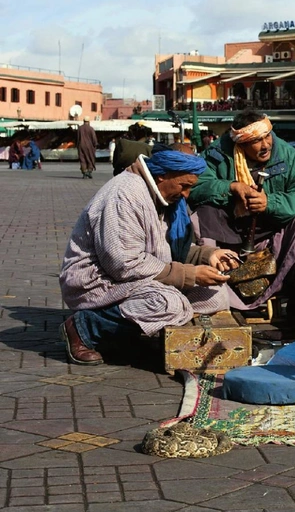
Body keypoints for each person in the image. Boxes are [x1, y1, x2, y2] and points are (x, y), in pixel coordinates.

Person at [59, 146, 240, 366]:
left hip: (138, 275)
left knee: (215, 295)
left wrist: (207, 255)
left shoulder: (162, 196)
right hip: (98, 281)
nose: (186, 195)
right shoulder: (124, 195)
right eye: (184, 186)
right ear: (162, 175)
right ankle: (84, 328)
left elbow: (166, 248)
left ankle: (131, 330)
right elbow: (123, 264)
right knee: (168, 305)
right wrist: (188, 274)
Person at [188, 110, 295, 337]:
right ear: (240, 143)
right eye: (255, 141)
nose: (265, 145)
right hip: (229, 230)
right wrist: (230, 188)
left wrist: (269, 203)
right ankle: (213, 297)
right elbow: (194, 187)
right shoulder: (217, 153)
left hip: (273, 229)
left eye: (267, 136)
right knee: (203, 213)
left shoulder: (288, 156)